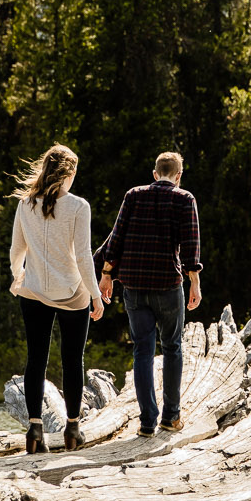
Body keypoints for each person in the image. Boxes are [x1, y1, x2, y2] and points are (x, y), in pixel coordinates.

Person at [96, 151, 202, 437]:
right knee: (172, 348)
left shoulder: (133, 195)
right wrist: (195, 282)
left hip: (133, 286)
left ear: (155, 174)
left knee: (142, 350)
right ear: (178, 176)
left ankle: (146, 422)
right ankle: (171, 417)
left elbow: (115, 238)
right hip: (167, 284)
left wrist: (106, 276)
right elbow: (191, 244)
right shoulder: (185, 199)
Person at [9, 143, 104, 453]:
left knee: (35, 359)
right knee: (72, 360)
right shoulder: (79, 206)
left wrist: (18, 275)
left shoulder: (25, 204)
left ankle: (35, 431)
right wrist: (95, 296)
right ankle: (72, 430)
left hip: (34, 292)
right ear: (69, 174)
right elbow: (83, 258)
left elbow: (16, 251)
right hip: (71, 293)